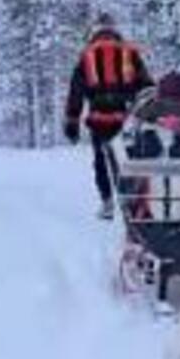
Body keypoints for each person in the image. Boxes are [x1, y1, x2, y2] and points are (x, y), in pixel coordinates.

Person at [65, 13, 154, 219]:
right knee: (129, 159)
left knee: (101, 160)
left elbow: (75, 94)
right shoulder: (129, 53)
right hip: (124, 117)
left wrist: (72, 122)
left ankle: (107, 203)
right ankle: (134, 202)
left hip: (98, 118)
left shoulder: (86, 56)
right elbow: (147, 87)